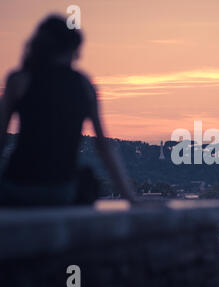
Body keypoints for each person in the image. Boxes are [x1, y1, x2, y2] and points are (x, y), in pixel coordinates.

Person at [0, 15, 136, 206]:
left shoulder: (19, 80)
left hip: (18, 185)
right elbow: (103, 146)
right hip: (60, 189)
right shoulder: (84, 85)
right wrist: (130, 197)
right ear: (69, 50)